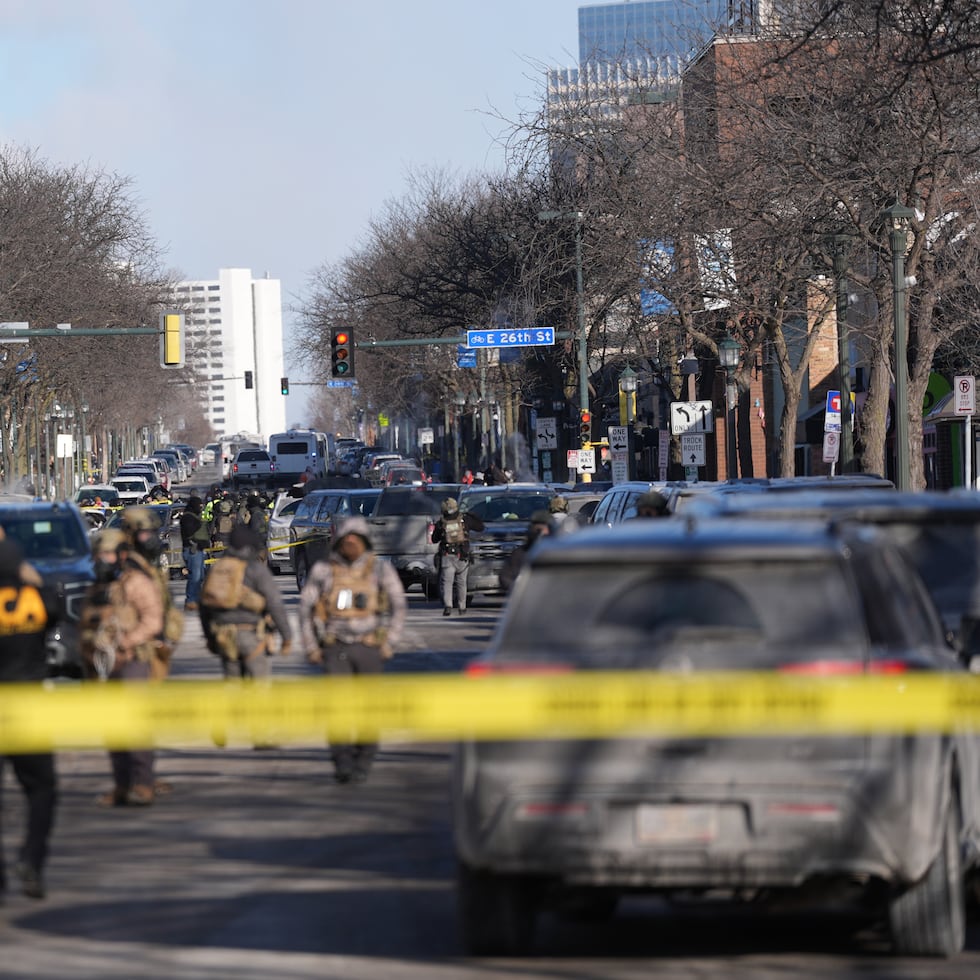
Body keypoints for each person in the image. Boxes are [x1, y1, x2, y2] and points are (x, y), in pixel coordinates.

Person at [299, 516, 407, 785]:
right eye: (346, 539)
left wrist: (389, 642)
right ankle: (342, 762)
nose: (351, 544)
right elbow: (305, 609)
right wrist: (311, 646)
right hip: (335, 647)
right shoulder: (324, 570)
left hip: (369, 647)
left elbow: (398, 605)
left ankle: (363, 761)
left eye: (356, 539)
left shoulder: (379, 570)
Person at [80, 526, 164, 807]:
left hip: (132, 662)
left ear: (120, 555)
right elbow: (85, 622)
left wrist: (125, 641)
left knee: (136, 728)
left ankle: (143, 785)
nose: (101, 560)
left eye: (106, 554)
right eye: (98, 555)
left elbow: (153, 620)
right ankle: (121, 786)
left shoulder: (136, 583)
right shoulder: (96, 587)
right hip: (104, 667)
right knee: (113, 730)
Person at [0, 538, 60, 900]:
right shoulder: (38, 599)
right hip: (30, 708)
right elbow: (54, 605)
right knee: (41, 790)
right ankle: (32, 861)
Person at [199, 525, 292, 679]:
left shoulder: (218, 568)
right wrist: (286, 636)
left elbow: (204, 605)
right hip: (252, 634)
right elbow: (274, 603)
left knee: (233, 687)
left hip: (224, 635)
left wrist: (210, 636)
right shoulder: (256, 570)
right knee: (258, 690)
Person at [431, 498, 484, 616]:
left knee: (447, 582)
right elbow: (480, 527)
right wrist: (472, 514)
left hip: (447, 555)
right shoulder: (465, 519)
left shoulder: (442, 522)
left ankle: (448, 606)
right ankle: (462, 607)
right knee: (461, 582)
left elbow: (434, 539)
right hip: (462, 555)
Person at [498, 510, 555, 594]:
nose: (540, 533)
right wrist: (520, 588)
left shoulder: (559, 554)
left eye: (542, 529)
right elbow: (505, 577)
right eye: (537, 529)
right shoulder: (520, 553)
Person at [179, 496, 211, 612]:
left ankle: (196, 599)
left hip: (199, 550)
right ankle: (191, 600)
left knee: (200, 577)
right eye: (199, 505)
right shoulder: (188, 517)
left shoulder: (195, 516)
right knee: (195, 577)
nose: (201, 508)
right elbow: (188, 531)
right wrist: (198, 523)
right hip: (192, 550)